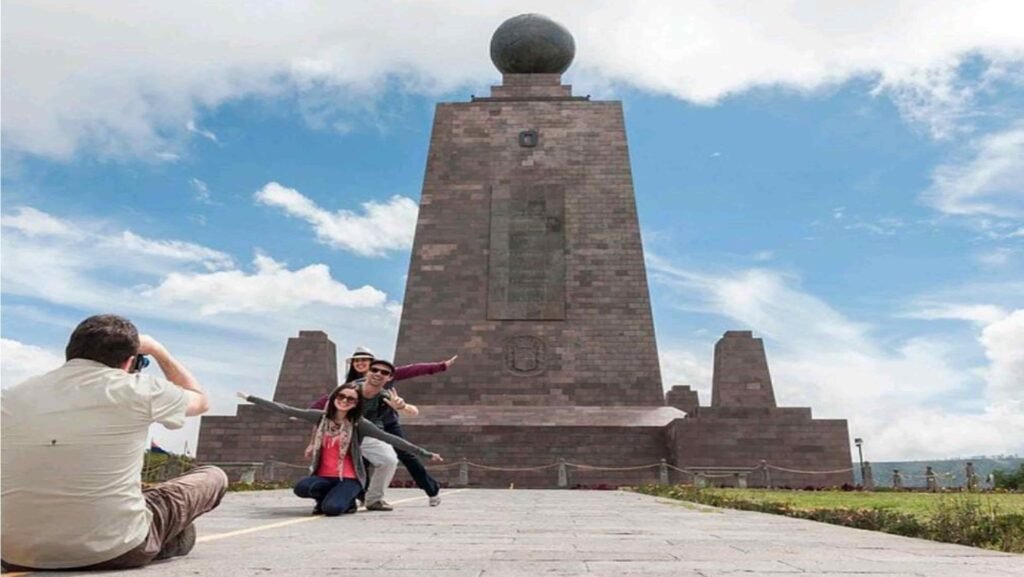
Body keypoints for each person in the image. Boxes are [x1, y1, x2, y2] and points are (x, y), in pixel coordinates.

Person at [1, 314, 228, 571]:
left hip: (14, 553)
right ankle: (167, 538)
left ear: (71, 352)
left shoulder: (11, 396)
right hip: (114, 551)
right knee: (213, 476)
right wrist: (159, 351)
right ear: (130, 361)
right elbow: (200, 400)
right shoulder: (138, 389)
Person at [238, 379, 442, 515]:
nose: (344, 401)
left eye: (350, 399)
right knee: (301, 488)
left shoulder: (359, 424)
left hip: (349, 478)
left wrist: (425, 453)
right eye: (341, 397)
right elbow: (284, 409)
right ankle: (330, 497)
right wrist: (250, 398)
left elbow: (391, 439)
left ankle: (348, 499)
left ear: (355, 404)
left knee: (332, 509)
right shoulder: (319, 418)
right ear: (334, 398)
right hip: (325, 476)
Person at [310, 349, 456, 506]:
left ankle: (431, 490)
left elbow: (413, 369)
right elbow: (329, 401)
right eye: (357, 361)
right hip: (362, 427)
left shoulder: (385, 375)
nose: (360, 363)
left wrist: (441, 366)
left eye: (365, 360)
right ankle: (364, 496)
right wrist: (307, 412)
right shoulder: (350, 385)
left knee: (406, 455)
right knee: (359, 459)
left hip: (387, 424)